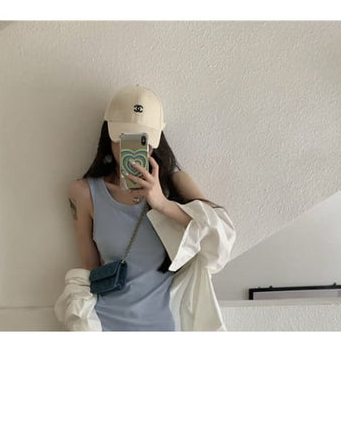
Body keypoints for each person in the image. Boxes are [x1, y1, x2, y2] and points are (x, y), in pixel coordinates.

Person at [64, 84, 228, 332]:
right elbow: (90, 270)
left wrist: (161, 203)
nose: (132, 149)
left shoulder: (176, 183)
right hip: (106, 325)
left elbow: (219, 238)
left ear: (156, 139)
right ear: (109, 135)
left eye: (143, 140)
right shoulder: (85, 192)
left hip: (164, 326)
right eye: (124, 137)